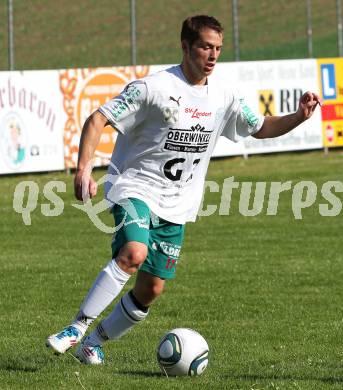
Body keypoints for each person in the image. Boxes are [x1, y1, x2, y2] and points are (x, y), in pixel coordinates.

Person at [46, 15, 321, 365]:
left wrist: (299, 116)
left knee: (151, 289)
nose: (213, 55)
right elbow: (98, 118)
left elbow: (261, 127)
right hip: (135, 188)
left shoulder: (224, 95)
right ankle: (76, 328)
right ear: (186, 46)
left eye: (218, 48)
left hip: (178, 204)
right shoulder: (153, 88)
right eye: (206, 46)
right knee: (133, 253)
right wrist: (83, 170)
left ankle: (94, 343)